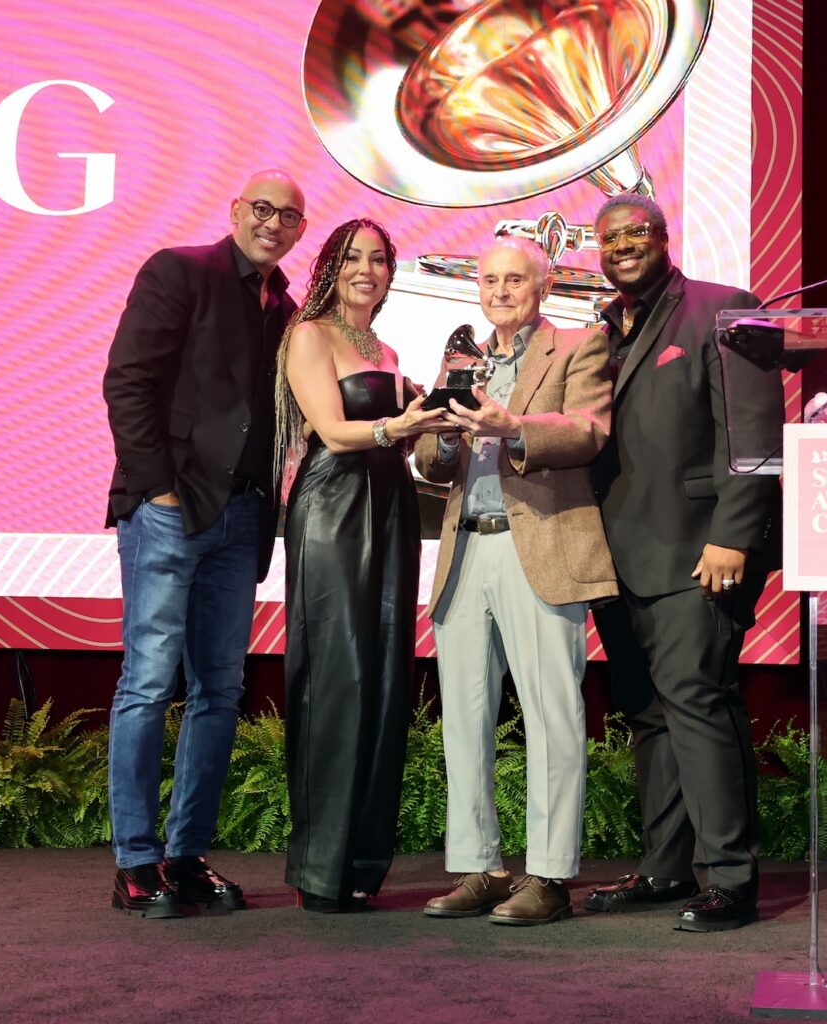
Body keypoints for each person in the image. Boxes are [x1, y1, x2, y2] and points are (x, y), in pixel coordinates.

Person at [102, 170, 308, 918]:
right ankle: (135, 862)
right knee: (149, 682)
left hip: (244, 517)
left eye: (289, 216)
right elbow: (127, 382)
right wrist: (157, 487)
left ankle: (185, 856)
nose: (274, 223)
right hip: (170, 508)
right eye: (263, 209)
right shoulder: (179, 271)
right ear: (235, 211)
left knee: (219, 690)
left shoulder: (287, 308)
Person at [585, 193, 783, 932]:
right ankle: (666, 869)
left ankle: (730, 878)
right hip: (619, 556)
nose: (622, 246)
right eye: (609, 238)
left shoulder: (724, 308)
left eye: (636, 232)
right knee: (649, 715)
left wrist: (733, 536)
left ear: (665, 237)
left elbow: (753, 431)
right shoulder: (603, 328)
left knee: (698, 701)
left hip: (701, 549)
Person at [413, 237, 616, 927]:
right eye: (490, 280)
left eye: (515, 280)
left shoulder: (578, 345)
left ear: (545, 286)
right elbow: (430, 460)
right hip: (465, 547)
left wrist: (514, 426)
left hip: (542, 546)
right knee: (465, 716)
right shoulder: (463, 357)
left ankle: (550, 875)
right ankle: (479, 867)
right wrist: (443, 436)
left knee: (551, 715)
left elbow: (587, 430)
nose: (500, 291)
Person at [276, 218, 449, 912]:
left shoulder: (386, 347)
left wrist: (439, 411)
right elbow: (330, 429)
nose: (366, 270)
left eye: (378, 259)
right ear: (330, 265)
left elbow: (400, 441)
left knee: (382, 676)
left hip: (392, 507)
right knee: (337, 677)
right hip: (333, 509)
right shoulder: (309, 334)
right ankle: (320, 870)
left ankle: (361, 866)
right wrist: (396, 426)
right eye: (353, 257)